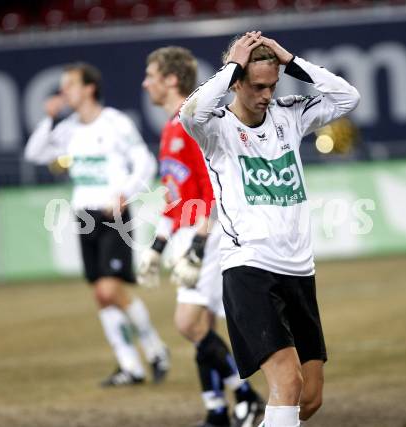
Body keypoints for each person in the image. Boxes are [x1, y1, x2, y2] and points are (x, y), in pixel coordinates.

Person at [179, 32, 360, 427]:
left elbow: (348, 98)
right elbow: (190, 113)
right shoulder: (216, 129)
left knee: (309, 399)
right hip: (249, 268)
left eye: (273, 85)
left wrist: (290, 59)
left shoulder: (290, 115)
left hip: (298, 270)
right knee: (287, 382)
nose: (266, 94)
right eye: (257, 86)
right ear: (237, 83)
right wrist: (230, 67)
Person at [140, 46, 264, 427]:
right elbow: (176, 194)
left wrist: (197, 242)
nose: (145, 82)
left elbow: (212, 186)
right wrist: (158, 247)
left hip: (206, 233)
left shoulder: (191, 122)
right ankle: (216, 410)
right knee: (202, 328)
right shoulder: (170, 126)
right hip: (187, 233)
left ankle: (247, 395)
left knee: (188, 323)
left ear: (171, 79)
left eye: (151, 74)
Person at [25, 62, 170, 387]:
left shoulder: (116, 123)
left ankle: (156, 349)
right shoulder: (67, 128)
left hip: (112, 214)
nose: (64, 92)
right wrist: (48, 118)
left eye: (70, 85)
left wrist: (127, 193)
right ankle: (130, 366)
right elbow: (34, 154)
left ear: (90, 88)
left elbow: (145, 162)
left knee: (109, 288)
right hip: (85, 214)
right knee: (101, 294)